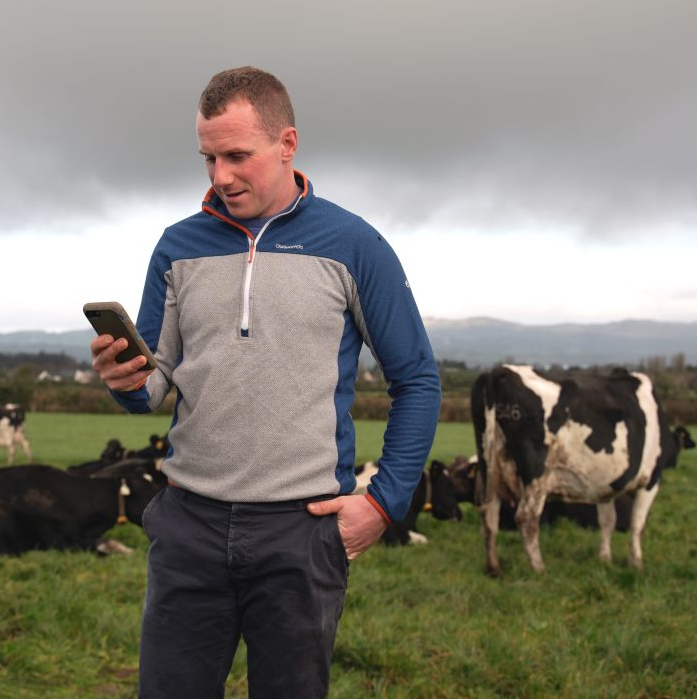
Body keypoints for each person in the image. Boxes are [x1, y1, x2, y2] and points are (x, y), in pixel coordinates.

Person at [90, 66, 441, 699]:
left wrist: (383, 503)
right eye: (208, 158)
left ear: (287, 144)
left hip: (300, 533)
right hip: (188, 525)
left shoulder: (355, 244)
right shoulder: (177, 246)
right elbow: (151, 387)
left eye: (236, 156)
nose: (220, 176)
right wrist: (123, 379)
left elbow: (416, 380)